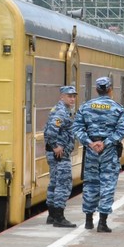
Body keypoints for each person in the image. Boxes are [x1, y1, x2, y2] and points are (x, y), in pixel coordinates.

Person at [72, 76, 124, 232]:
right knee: (108, 184)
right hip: (109, 151)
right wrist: (106, 142)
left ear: (97, 89)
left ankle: (88, 220)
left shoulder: (86, 107)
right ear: (110, 89)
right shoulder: (117, 108)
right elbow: (122, 130)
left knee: (90, 184)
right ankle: (102, 222)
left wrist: (90, 143)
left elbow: (77, 128)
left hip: (91, 151)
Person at [43, 85, 78, 228]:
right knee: (63, 184)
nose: (72, 98)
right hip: (59, 154)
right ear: (61, 96)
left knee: (54, 182)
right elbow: (51, 131)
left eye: (74, 96)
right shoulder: (61, 112)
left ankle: (51, 215)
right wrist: (55, 146)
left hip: (56, 153)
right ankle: (59, 217)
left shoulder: (62, 110)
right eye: (69, 96)